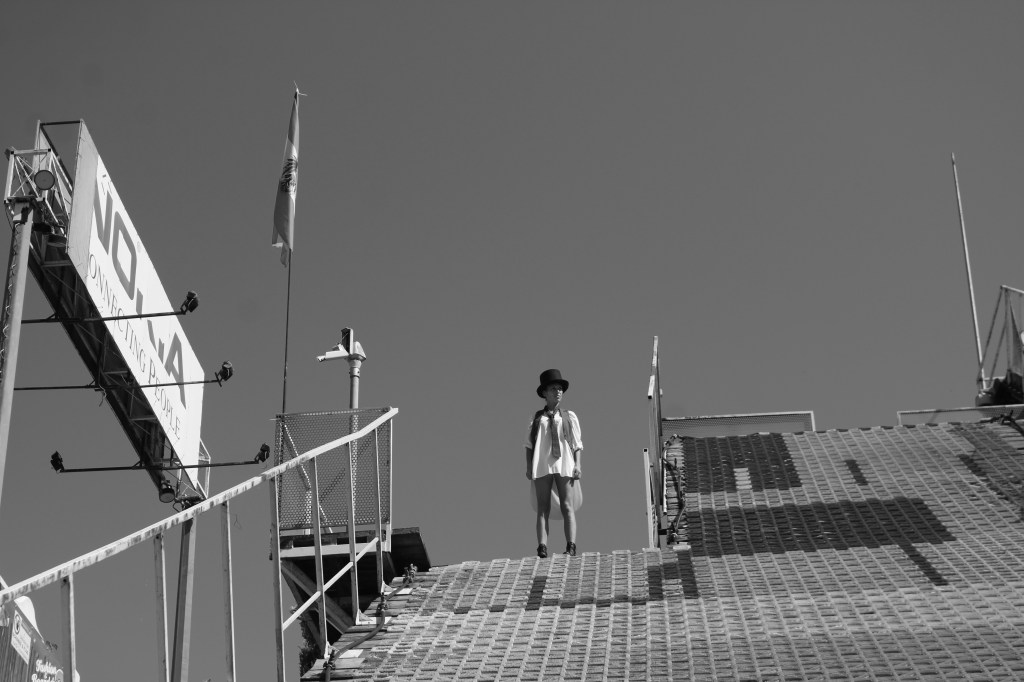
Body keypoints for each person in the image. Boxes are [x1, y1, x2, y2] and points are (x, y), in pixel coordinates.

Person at [525, 369, 583, 558]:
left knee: (567, 505)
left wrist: (578, 464)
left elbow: (577, 444)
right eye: (553, 389)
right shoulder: (537, 418)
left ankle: (571, 545)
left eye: (560, 389)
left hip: (564, 462)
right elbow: (529, 445)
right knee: (543, 507)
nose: (558, 392)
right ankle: (542, 547)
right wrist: (529, 467)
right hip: (542, 463)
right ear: (544, 393)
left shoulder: (569, 416)